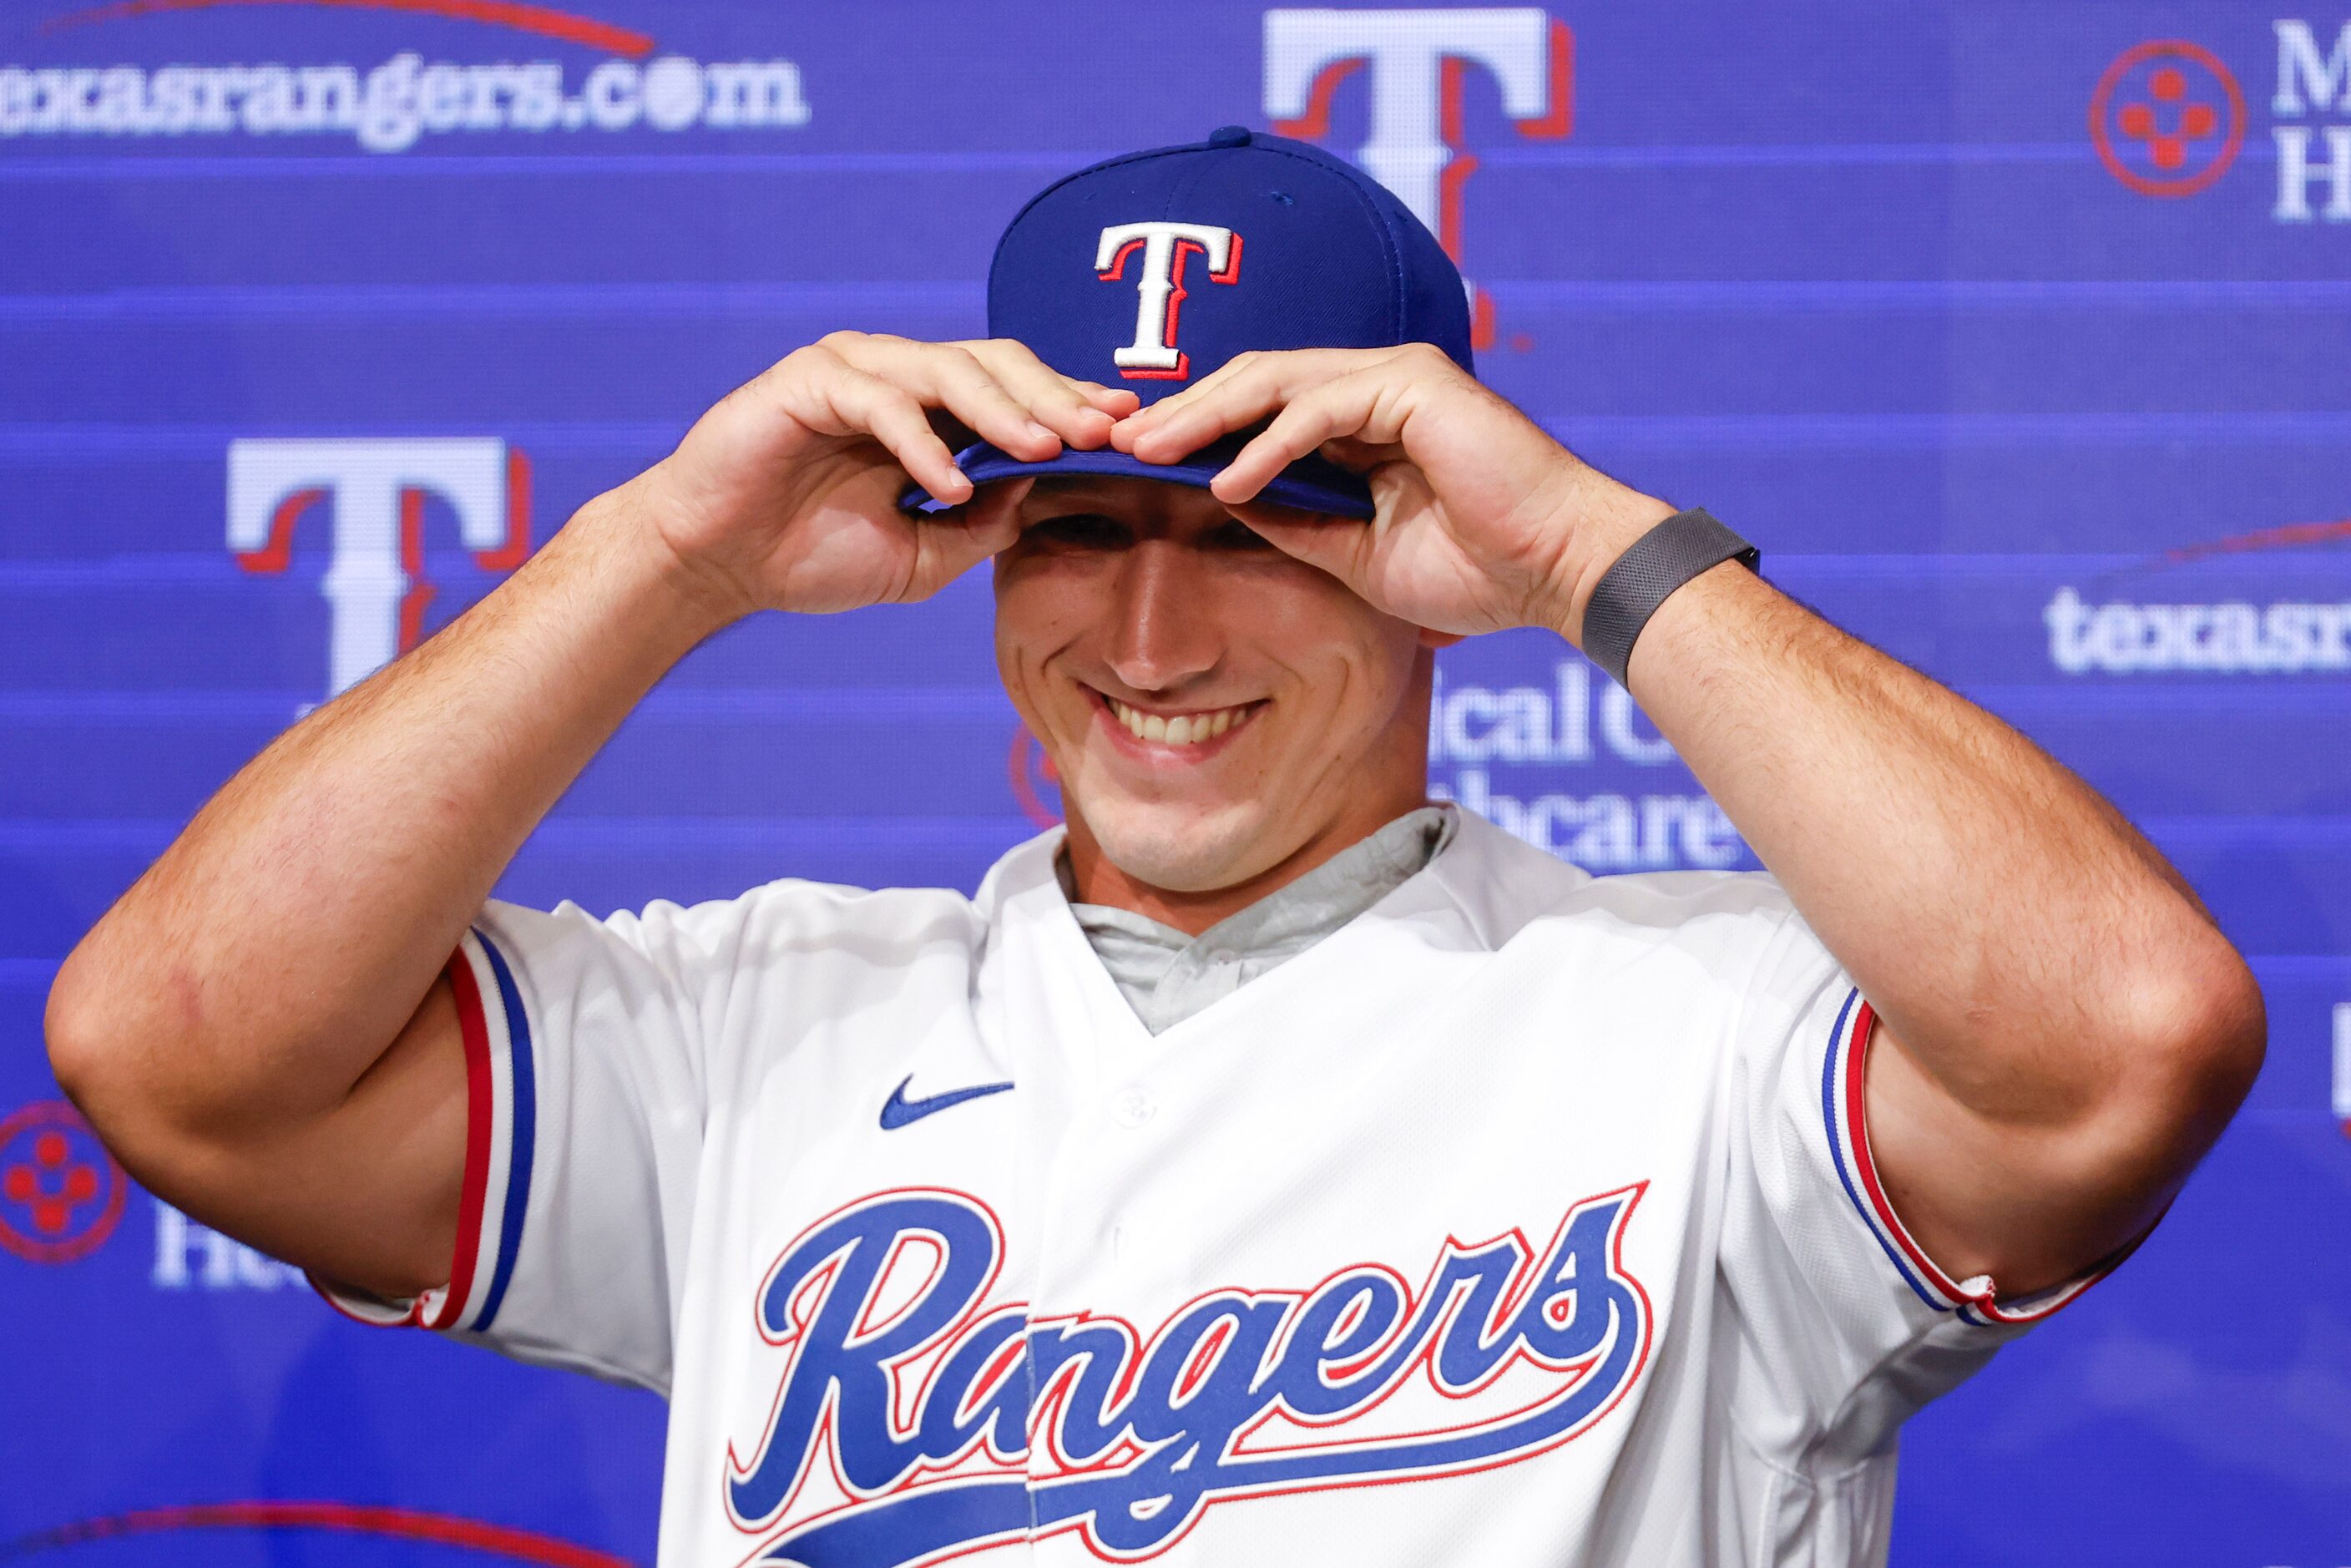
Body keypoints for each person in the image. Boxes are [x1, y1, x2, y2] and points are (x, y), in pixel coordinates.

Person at [46, 129, 2261, 1566]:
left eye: (1253, 530)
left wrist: (1590, 544)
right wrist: (669, 552)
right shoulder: (756, 1031)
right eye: (1075, 532)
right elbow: (180, 1054)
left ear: (1422, 544)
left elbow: (2129, 1040)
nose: (1147, 629)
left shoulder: (1704, 1024)